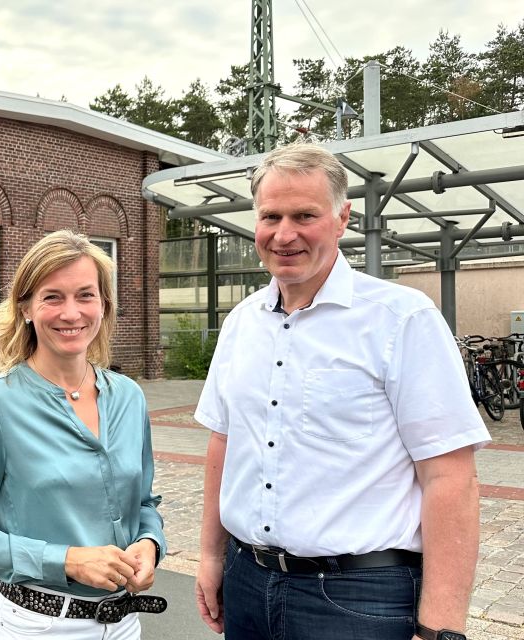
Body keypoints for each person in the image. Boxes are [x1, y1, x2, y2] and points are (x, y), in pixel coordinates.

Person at [193, 143, 490, 640]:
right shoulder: (241, 323)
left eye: (304, 215)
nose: (284, 234)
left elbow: (449, 478)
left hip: (359, 598)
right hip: (248, 582)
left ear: (342, 218)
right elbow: (224, 444)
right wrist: (210, 556)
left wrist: (441, 627)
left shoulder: (402, 320)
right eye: (271, 216)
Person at [0, 230, 166, 639]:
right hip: (36, 625)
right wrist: (66, 560)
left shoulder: (129, 397)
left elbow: (144, 503)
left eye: (85, 295)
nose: (71, 313)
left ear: (104, 305)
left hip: (123, 624)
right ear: (26, 308)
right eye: (53, 297)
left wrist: (150, 544)